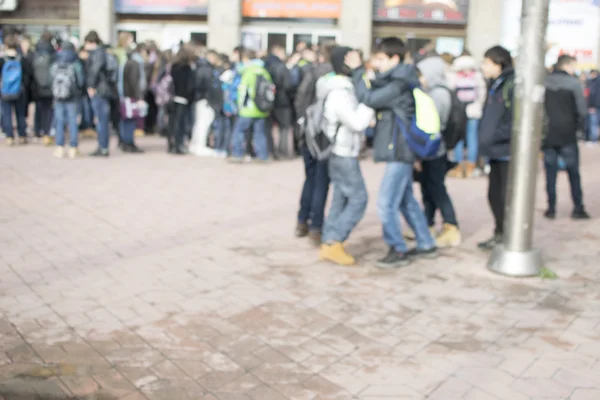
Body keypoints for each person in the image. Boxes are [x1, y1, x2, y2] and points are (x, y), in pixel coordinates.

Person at [350, 37, 437, 268]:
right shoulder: (399, 79)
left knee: (386, 202)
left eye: (380, 59)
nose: (376, 64)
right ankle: (426, 242)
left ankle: (397, 249)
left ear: (394, 59)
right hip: (400, 148)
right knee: (405, 199)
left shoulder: (399, 84)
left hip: (400, 150)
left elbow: (368, 98)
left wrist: (358, 71)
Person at [318, 47, 375, 266]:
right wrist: (370, 102)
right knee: (359, 198)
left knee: (341, 198)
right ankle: (334, 241)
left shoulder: (341, 88)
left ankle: (329, 241)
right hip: (342, 152)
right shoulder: (340, 92)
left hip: (341, 151)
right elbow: (358, 122)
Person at [416, 56, 461, 248]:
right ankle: (428, 224)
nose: (421, 79)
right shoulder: (435, 92)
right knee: (428, 188)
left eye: (423, 75)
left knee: (437, 188)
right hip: (434, 149)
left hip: (435, 150)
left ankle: (451, 226)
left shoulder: (438, 95)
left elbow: (433, 125)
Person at [295, 43, 334, 245]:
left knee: (310, 177)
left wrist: (303, 123)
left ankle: (302, 220)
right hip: (325, 135)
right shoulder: (334, 77)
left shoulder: (311, 73)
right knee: (322, 180)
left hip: (308, 133)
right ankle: (316, 225)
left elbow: (300, 99)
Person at [543, 55, 590, 220]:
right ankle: (578, 207)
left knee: (550, 172)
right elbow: (582, 110)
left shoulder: (544, 83)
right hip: (568, 133)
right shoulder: (573, 84)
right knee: (573, 172)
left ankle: (551, 208)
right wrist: (579, 129)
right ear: (568, 65)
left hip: (548, 134)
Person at [477, 45, 515, 250]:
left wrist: (495, 136)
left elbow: (517, 120)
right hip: (495, 151)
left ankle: (508, 236)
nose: (482, 67)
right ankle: (500, 232)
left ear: (498, 63)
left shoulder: (511, 84)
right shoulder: (495, 84)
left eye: (486, 62)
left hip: (506, 151)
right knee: (494, 195)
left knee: (503, 197)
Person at [228, 48, 272, 163]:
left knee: (239, 131)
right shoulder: (263, 71)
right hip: (262, 108)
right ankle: (262, 156)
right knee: (260, 133)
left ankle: (237, 154)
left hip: (248, 108)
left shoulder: (248, 71)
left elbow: (243, 91)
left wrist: (239, 106)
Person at [449, 50, 487, 178]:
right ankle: (471, 166)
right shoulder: (477, 76)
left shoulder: (454, 75)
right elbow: (482, 95)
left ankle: (459, 166)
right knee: (472, 138)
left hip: (459, 111)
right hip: (474, 110)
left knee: (458, 137)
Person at [84, 31, 117, 157]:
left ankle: (103, 147)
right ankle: (102, 146)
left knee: (101, 120)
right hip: (105, 89)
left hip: (100, 90)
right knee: (102, 119)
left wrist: (91, 86)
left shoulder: (98, 54)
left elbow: (94, 70)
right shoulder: (104, 52)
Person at [51, 41, 85, 159]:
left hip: (58, 96)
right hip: (73, 97)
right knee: (72, 122)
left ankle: (59, 147)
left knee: (59, 122)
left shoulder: (56, 61)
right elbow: (81, 81)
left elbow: (51, 78)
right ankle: (73, 148)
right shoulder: (76, 62)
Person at [0, 35, 33, 146]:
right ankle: (22, 135)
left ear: (6, 45)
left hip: (5, 91)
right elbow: (29, 74)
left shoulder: (2, 60)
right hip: (20, 90)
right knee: (20, 114)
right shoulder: (22, 59)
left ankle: (9, 136)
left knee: (7, 114)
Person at [265, 44, 293, 159]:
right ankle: (283, 151)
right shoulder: (282, 67)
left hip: (268, 100)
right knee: (284, 128)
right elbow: (288, 85)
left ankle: (270, 150)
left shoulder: (266, 65)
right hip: (283, 101)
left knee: (268, 127)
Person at [169, 47, 195, 155]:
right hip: (183, 99)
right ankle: (178, 145)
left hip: (173, 98)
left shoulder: (173, 68)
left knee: (173, 123)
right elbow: (190, 85)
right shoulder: (187, 69)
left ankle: (172, 144)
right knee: (181, 124)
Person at [119, 51, 146, 153]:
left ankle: (126, 142)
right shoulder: (135, 64)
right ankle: (129, 143)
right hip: (131, 97)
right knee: (130, 121)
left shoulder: (125, 63)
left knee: (126, 121)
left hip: (126, 96)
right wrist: (139, 97)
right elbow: (135, 82)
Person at [32, 32, 57, 145]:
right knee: (49, 110)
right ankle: (47, 132)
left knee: (38, 109)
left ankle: (37, 130)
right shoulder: (53, 53)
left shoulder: (35, 52)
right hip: (50, 87)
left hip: (37, 86)